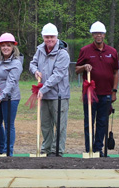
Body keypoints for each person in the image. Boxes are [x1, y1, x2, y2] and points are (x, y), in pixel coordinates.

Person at [75, 21, 119, 155]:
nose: (98, 35)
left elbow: (116, 72)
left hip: (106, 93)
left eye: (100, 33)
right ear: (92, 35)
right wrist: (84, 67)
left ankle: (98, 149)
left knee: (102, 122)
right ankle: (89, 149)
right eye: (95, 33)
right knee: (89, 121)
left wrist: (114, 91)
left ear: (104, 34)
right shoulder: (85, 50)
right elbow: (77, 69)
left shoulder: (112, 52)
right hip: (90, 93)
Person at [30, 23, 71, 157]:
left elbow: (57, 75)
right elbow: (32, 63)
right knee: (45, 124)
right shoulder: (40, 50)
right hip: (44, 95)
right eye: (47, 37)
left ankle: (57, 150)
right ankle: (46, 149)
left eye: (52, 37)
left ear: (57, 37)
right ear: (43, 37)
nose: (49, 40)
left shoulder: (63, 54)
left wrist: (43, 88)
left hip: (59, 95)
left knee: (60, 125)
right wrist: (35, 70)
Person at [0, 33, 23, 157]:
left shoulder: (16, 63)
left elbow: (11, 84)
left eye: (8, 45)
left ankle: (8, 151)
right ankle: (1, 147)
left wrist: (1, 98)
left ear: (13, 47)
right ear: (0, 47)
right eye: (3, 45)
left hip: (10, 98)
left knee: (8, 124)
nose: (5, 48)